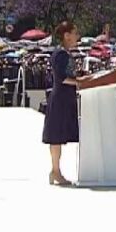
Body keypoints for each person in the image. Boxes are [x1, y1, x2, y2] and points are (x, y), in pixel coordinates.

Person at [42, 21, 83, 186]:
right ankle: (55, 171)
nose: (77, 37)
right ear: (66, 35)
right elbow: (62, 78)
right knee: (56, 136)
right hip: (60, 99)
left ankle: (55, 170)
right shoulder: (60, 54)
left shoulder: (65, 53)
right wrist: (79, 82)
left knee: (58, 136)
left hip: (64, 98)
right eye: (75, 33)